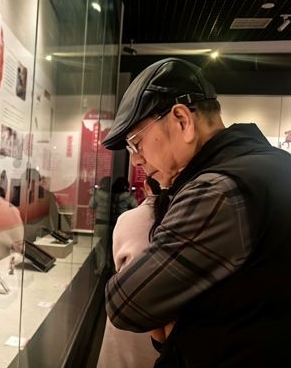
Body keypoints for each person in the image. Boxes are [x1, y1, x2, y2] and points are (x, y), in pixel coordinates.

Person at [101, 57, 291, 367]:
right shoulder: (274, 164)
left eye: (136, 143)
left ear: (182, 120)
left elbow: (125, 305)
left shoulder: (217, 190)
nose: (136, 160)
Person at [96, 174, 163, 368]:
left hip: (128, 307)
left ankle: (99, 268)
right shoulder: (189, 213)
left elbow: (120, 263)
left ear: (147, 186)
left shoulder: (130, 218)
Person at [89, 176, 112, 274]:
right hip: (112, 223)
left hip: (100, 223)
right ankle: (108, 265)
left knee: (99, 247)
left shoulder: (97, 194)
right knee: (109, 245)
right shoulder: (114, 195)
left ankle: (100, 268)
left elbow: (91, 205)